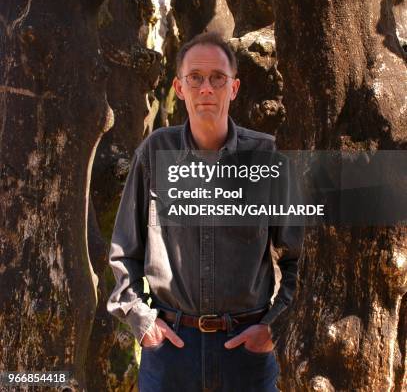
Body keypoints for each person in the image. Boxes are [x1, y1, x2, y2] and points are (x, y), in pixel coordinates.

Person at [107, 32, 302, 391]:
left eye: (217, 78)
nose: (206, 88)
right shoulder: (154, 153)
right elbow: (124, 251)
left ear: (235, 87)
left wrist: (277, 326)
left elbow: (300, 259)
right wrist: (143, 321)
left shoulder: (266, 157)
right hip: (170, 353)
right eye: (195, 77)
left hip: (248, 353)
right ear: (180, 88)